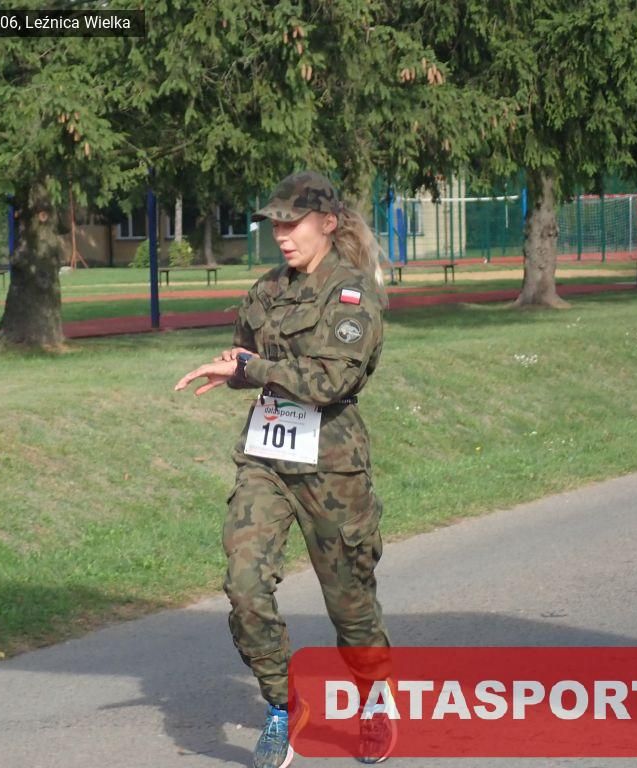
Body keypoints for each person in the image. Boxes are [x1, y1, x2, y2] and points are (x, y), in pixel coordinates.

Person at [174, 171, 395, 768]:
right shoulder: (266, 290)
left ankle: (374, 699)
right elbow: (247, 355)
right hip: (266, 459)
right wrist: (230, 367)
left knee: (350, 603)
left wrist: (251, 370)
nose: (281, 235)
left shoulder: (352, 295)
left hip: (331, 467)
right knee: (245, 586)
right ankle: (281, 705)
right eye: (275, 225)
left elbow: (331, 381)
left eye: (292, 223)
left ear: (328, 222)